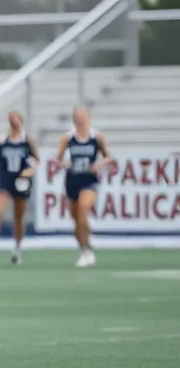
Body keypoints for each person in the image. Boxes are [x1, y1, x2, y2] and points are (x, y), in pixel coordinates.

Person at [55, 106, 110, 268]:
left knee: (83, 209)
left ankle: (88, 251)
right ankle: (84, 248)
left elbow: (107, 158)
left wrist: (99, 165)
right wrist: (64, 164)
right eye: (78, 118)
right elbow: (57, 160)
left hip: (89, 180)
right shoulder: (68, 138)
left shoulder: (96, 137)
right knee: (76, 220)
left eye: (84, 117)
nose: (81, 120)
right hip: (72, 180)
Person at [0, 111, 38, 266]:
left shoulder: (27, 141)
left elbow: (36, 161)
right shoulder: (1, 141)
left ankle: (17, 248)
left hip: (20, 182)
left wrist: (29, 171)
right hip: (5, 181)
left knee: (18, 218)